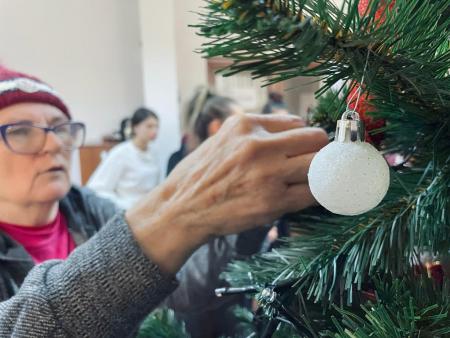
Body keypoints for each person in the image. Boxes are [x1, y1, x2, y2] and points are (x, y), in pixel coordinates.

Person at [0, 64, 328, 337]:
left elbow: (176, 295)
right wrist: (172, 217)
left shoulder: (91, 210)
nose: (54, 144)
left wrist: (247, 215)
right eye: (21, 131)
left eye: (61, 128)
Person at [87, 108, 160, 209]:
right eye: (149, 126)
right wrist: (123, 206)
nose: (154, 131)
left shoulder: (153, 153)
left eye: (156, 126)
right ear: (135, 127)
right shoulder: (121, 153)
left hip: (149, 210)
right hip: (127, 211)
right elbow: (96, 188)